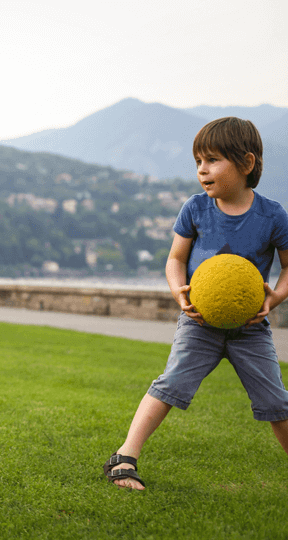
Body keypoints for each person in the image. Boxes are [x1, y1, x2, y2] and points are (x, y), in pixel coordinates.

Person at [103, 117, 288, 490]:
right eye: (198, 161)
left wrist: (277, 295)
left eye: (213, 160)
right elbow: (175, 259)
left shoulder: (272, 215)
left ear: (247, 164)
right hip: (198, 323)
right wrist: (179, 291)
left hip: (250, 328)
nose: (202, 169)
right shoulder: (196, 209)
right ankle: (124, 457)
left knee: (275, 401)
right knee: (171, 384)